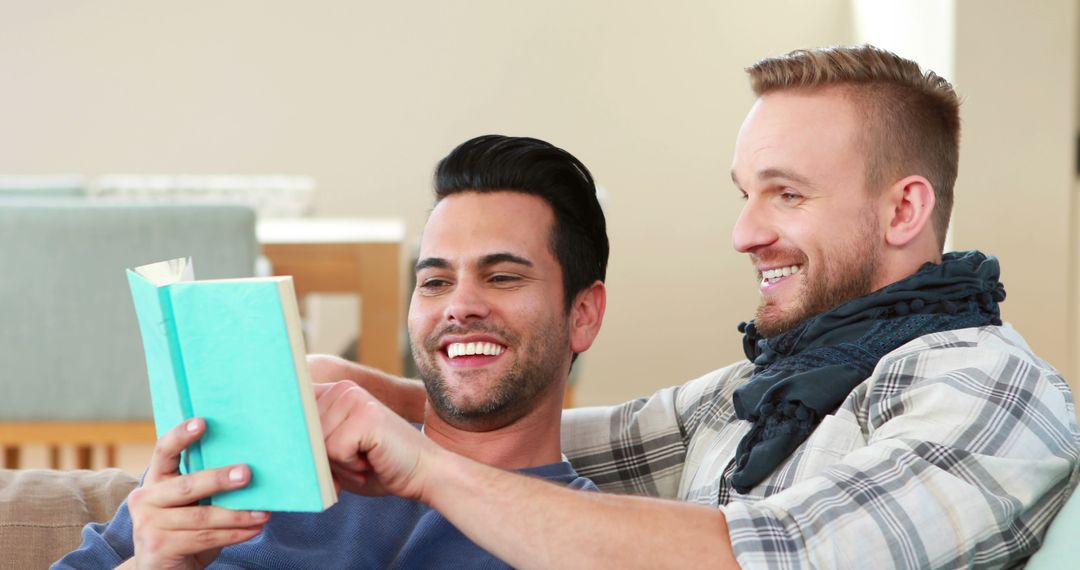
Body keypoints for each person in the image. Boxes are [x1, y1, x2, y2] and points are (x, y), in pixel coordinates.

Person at [313, 45, 1080, 568]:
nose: (745, 234)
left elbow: (772, 555)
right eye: (745, 195)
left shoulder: (990, 388)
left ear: (903, 209)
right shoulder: (771, 389)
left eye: (786, 194)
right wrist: (368, 399)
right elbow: (576, 435)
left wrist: (422, 464)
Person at [54, 134, 608, 568]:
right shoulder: (274, 449)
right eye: (435, 282)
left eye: (504, 276)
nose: (459, 307)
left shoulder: (595, 541)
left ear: (583, 314)